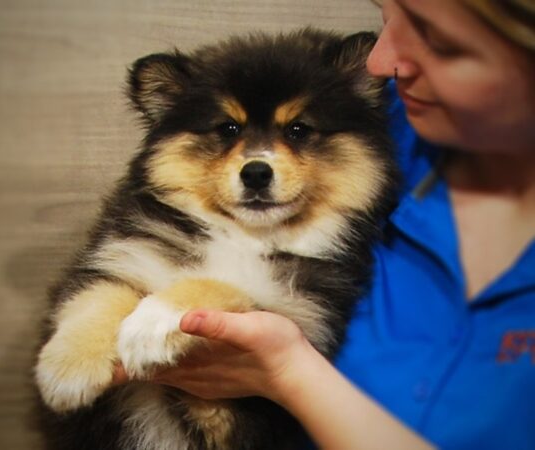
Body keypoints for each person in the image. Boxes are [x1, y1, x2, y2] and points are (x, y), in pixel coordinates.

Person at [114, 0, 535, 448]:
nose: (380, 61)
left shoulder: (359, 134)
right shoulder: (394, 116)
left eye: (436, 38)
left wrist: (288, 372)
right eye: (386, 15)